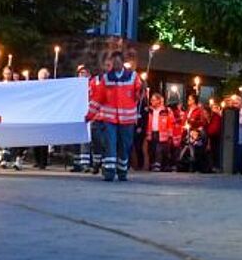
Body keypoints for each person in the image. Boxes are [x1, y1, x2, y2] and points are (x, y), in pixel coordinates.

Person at [96, 51, 142, 181]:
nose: (115, 64)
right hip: (110, 118)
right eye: (113, 62)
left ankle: (122, 171)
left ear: (122, 62)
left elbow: (138, 95)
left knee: (124, 145)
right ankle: (109, 172)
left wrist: (142, 89)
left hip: (127, 120)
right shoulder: (106, 78)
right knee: (110, 143)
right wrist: (90, 114)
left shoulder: (133, 77)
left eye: (117, 62)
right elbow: (98, 98)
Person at [72, 65, 95, 173]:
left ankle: (85, 163)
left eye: (83, 73)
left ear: (89, 75)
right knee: (75, 138)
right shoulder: (75, 86)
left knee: (85, 139)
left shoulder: (91, 85)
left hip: (87, 114)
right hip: (76, 114)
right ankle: (76, 163)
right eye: (80, 73)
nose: (81, 75)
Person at [146, 92, 175, 172]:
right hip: (151, 133)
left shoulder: (166, 110)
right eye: (151, 100)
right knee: (151, 149)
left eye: (153, 100)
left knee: (159, 150)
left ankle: (157, 165)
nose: (151, 101)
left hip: (161, 134)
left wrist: (170, 135)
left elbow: (171, 123)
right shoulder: (149, 110)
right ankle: (152, 165)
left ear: (159, 101)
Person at [32, 68, 51, 169]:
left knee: (44, 140)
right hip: (36, 115)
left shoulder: (49, 87)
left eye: (45, 76)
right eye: (41, 76)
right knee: (35, 139)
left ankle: (43, 162)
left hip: (45, 116)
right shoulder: (35, 86)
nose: (43, 78)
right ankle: (37, 160)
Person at [185, 93, 210, 172]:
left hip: (196, 132)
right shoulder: (188, 109)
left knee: (196, 149)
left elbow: (203, 122)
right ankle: (189, 166)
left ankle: (197, 167)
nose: (188, 101)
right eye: (188, 99)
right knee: (189, 148)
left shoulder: (199, 110)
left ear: (194, 100)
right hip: (188, 131)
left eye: (190, 99)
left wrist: (193, 122)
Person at [168, 96, 187, 172]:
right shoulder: (172, 113)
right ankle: (174, 164)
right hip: (175, 133)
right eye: (178, 105)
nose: (179, 106)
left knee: (176, 150)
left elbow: (182, 122)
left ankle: (175, 164)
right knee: (174, 150)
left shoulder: (181, 113)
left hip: (177, 133)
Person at [206, 102, 223, 172]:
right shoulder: (212, 117)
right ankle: (211, 166)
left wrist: (208, 131)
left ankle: (215, 166)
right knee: (212, 152)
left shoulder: (217, 117)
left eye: (215, 108)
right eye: (213, 108)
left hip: (215, 137)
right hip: (212, 137)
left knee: (215, 151)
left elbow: (214, 129)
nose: (214, 109)